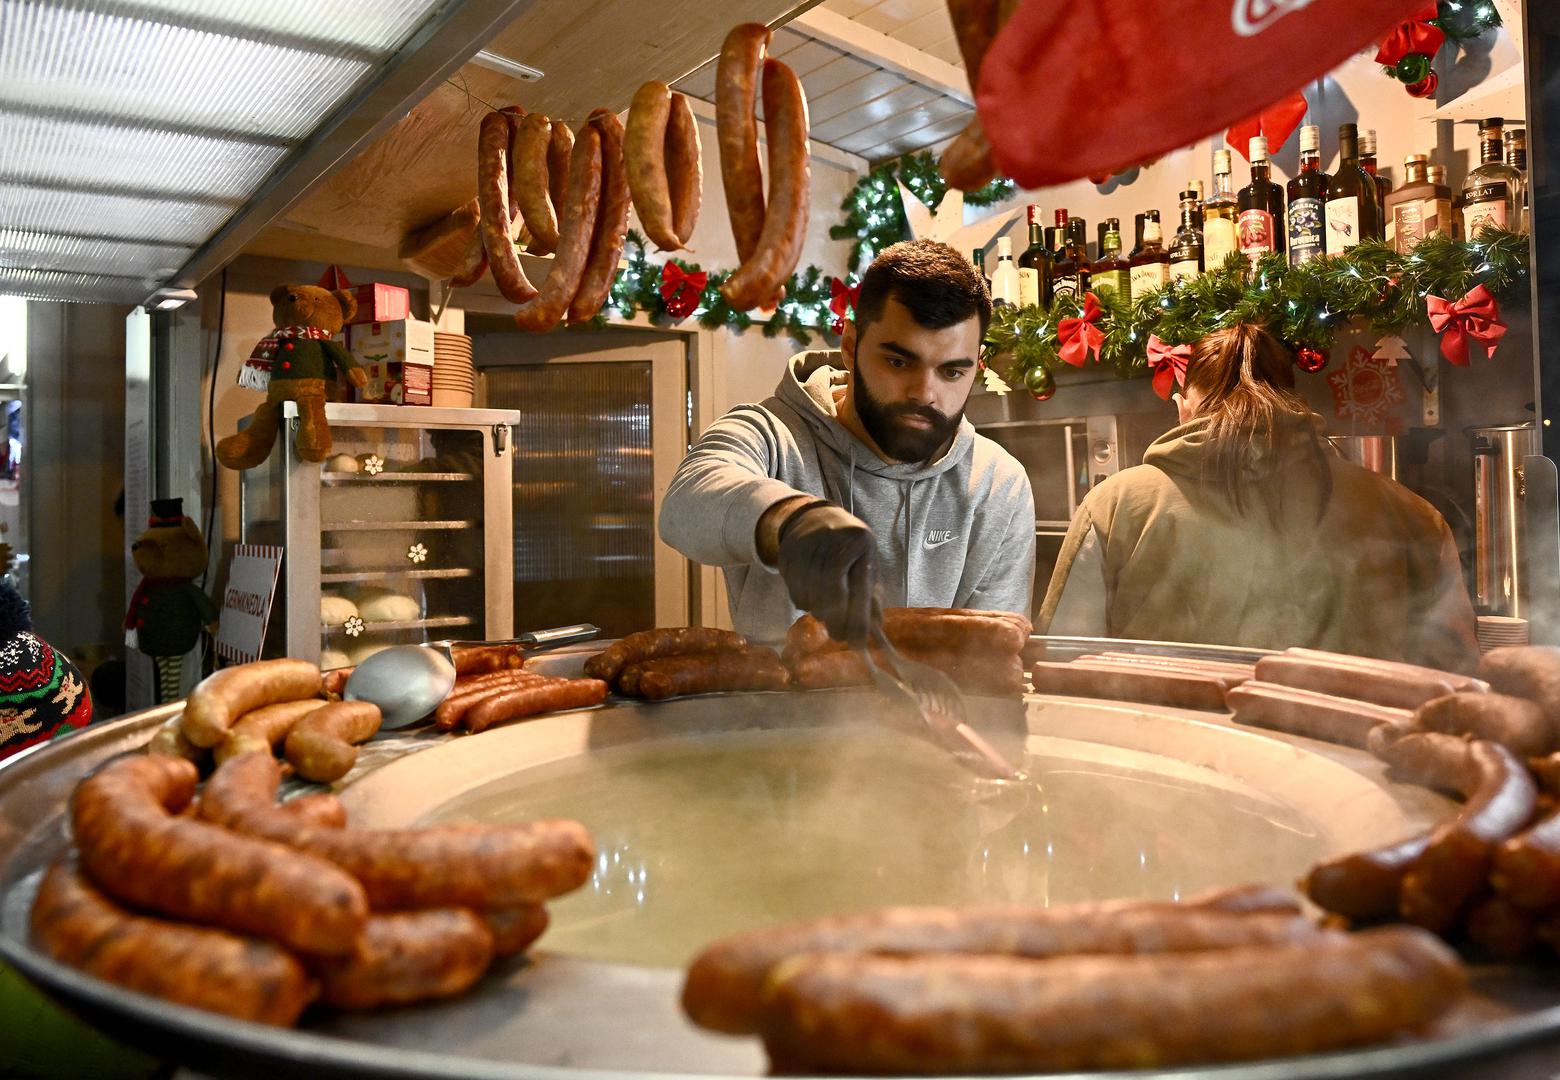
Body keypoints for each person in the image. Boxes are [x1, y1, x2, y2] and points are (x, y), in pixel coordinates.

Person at [1039, 323, 1479, 672]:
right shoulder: (1411, 514)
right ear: (1293, 405)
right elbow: (1456, 678)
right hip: (1356, 776)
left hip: (1168, 773)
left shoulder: (1113, 505)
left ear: (1182, 409)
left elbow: (1060, 664)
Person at [660, 239, 1036, 644]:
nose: (924, 393)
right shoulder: (769, 434)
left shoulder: (998, 483)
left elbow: (992, 651)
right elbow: (685, 505)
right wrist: (789, 521)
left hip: (934, 706)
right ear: (852, 345)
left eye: (951, 372)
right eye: (898, 362)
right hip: (772, 704)